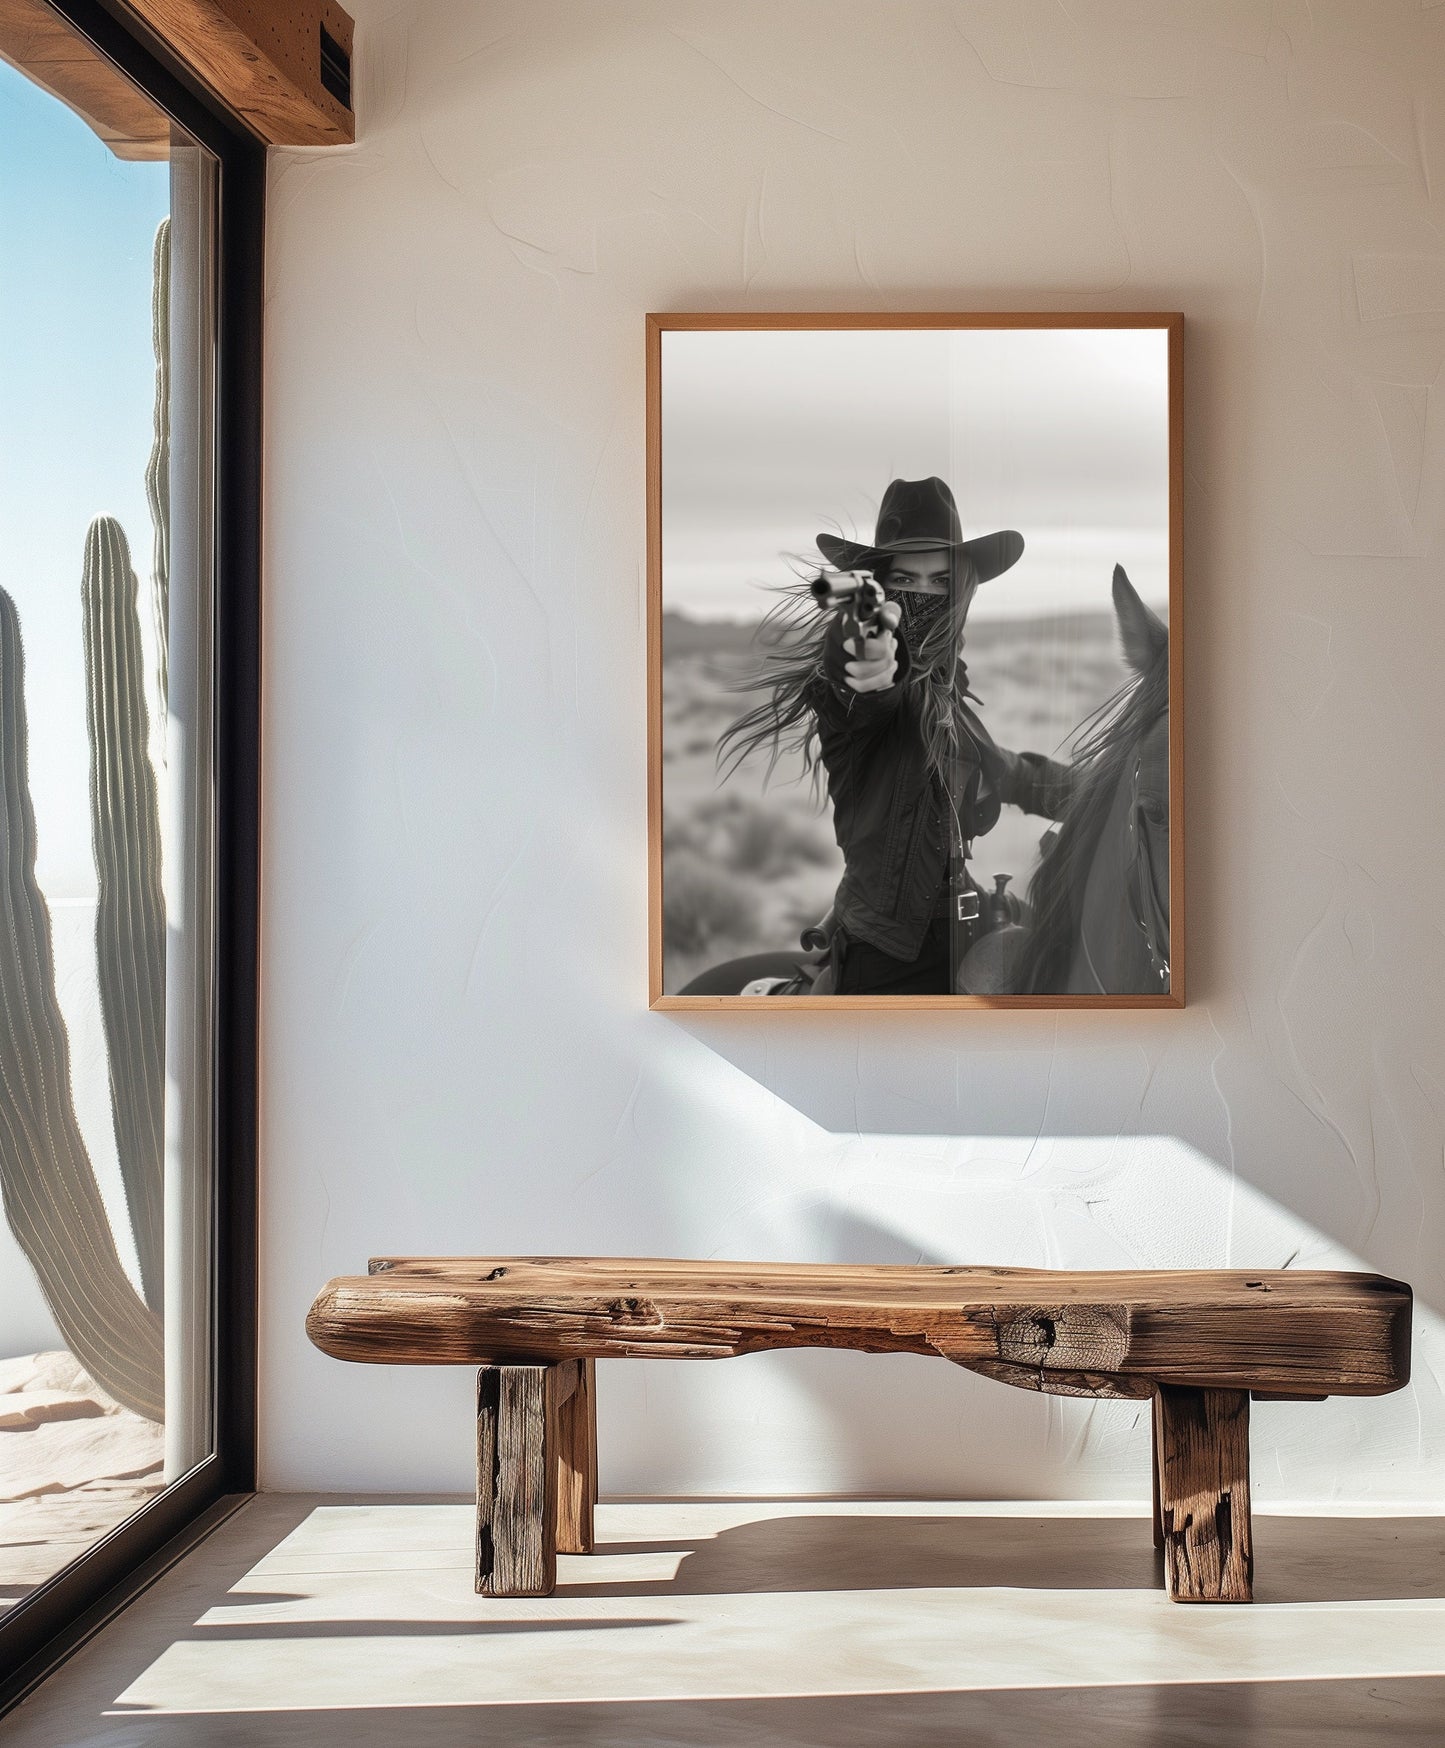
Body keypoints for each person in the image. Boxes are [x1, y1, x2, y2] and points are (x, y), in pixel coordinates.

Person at [719, 477, 1069, 996]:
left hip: (967, 922)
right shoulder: (859, 688)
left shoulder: (949, 689)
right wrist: (867, 657)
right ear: (881, 587)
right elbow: (869, 688)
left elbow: (1004, 768)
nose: (924, 595)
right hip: (889, 959)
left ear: (962, 588)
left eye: (939, 581)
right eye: (906, 579)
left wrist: (1102, 790)